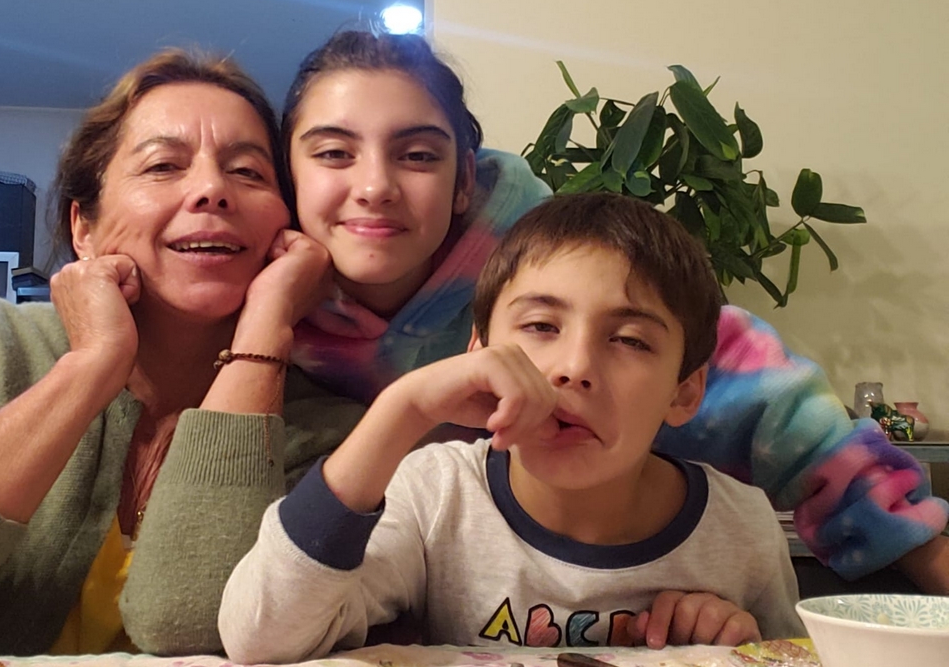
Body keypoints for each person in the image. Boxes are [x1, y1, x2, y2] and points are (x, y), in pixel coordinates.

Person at [279, 30, 949, 589]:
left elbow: (776, 406)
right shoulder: (268, 303)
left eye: (419, 154)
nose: (374, 186)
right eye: (334, 153)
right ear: (290, 175)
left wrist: (913, 544)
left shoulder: (556, 269)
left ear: (463, 182)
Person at [219, 192, 806, 664]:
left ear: (684, 391)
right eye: (542, 326)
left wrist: (736, 644)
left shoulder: (742, 530)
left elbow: (790, 654)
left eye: (629, 340)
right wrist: (403, 409)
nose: (574, 367)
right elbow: (260, 637)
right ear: (478, 352)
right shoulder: (437, 497)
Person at [0, 49, 363, 657]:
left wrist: (264, 331)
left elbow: (190, 627)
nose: (212, 190)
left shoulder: (331, 435)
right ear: (83, 228)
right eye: (163, 165)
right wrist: (92, 365)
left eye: (248, 172)